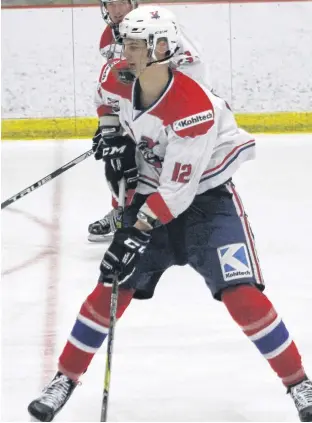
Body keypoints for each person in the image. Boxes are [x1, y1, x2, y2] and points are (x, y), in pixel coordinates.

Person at [28, 6, 312, 422]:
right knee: (111, 287)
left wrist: (134, 231)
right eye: (126, 43)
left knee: (242, 294)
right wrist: (112, 136)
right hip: (150, 192)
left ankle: (298, 382)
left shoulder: (193, 107)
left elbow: (177, 193)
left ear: (163, 49)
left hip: (206, 203)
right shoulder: (116, 77)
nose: (126, 52)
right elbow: (104, 101)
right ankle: (64, 379)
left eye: (137, 45)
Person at [88, 0, 212, 242]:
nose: (116, 10)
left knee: (173, 168)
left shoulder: (157, 27)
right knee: (119, 161)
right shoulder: (107, 40)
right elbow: (116, 84)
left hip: (175, 107)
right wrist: (110, 126)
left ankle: (185, 216)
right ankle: (121, 213)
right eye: (109, 4)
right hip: (138, 108)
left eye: (120, 3)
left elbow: (192, 71)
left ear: (132, 3)